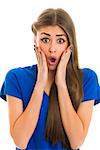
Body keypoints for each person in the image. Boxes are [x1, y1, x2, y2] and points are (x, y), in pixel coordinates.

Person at [0, 8, 100, 150]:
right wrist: (40, 83)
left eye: (60, 40)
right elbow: (20, 141)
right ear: (36, 41)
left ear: (70, 45)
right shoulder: (15, 77)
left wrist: (61, 84)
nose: (52, 49)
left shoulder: (87, 79)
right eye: (45, 40)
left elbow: (76, 141)